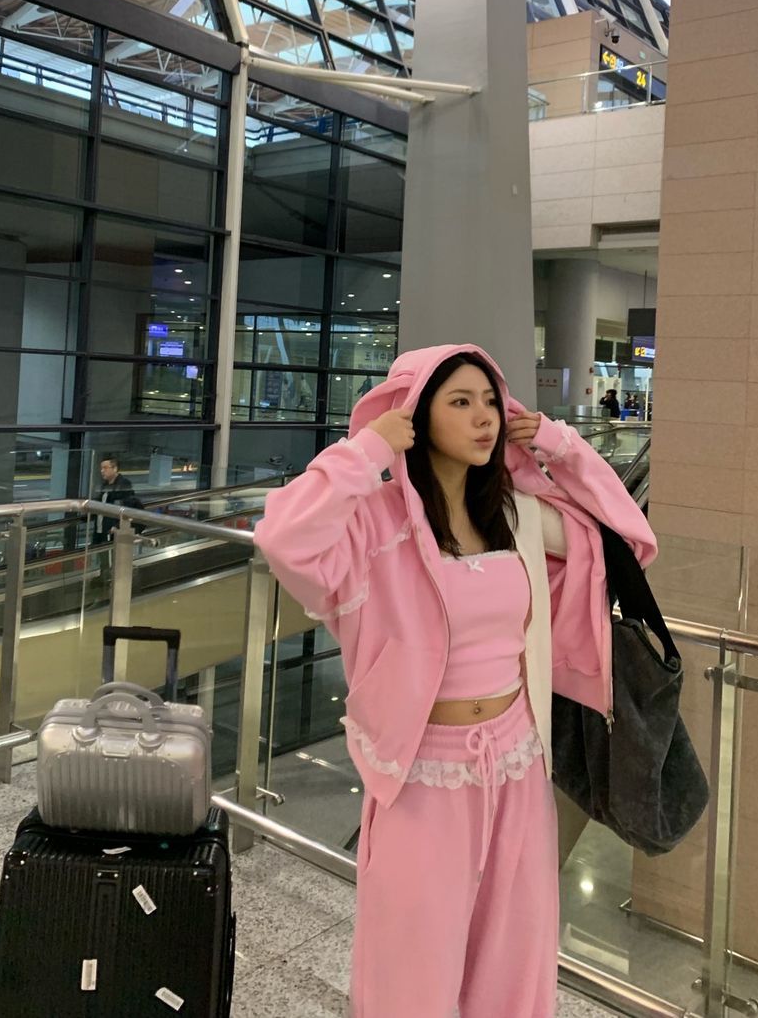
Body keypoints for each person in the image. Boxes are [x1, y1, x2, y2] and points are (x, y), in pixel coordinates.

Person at [254, 344, 655, 1018]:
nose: (484, 417)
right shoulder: (376, 520)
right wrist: (367, 449)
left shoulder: (514, 514)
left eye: (491, 401)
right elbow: (283, 538)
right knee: (413, 966)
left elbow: (628, 541)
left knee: (512, 961)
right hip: (421, 773)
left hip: (517, 762)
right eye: (461, 402)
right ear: (417, 415)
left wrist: (557, 443)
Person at [94, 454, 139, 541]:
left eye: (105, 468)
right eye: (101, 468)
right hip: (100, 528)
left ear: (115, 468)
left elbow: (128, 507)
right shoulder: (104, 485)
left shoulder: (124, 484)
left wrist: (117, 526)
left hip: (112, 529)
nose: (102, 471)